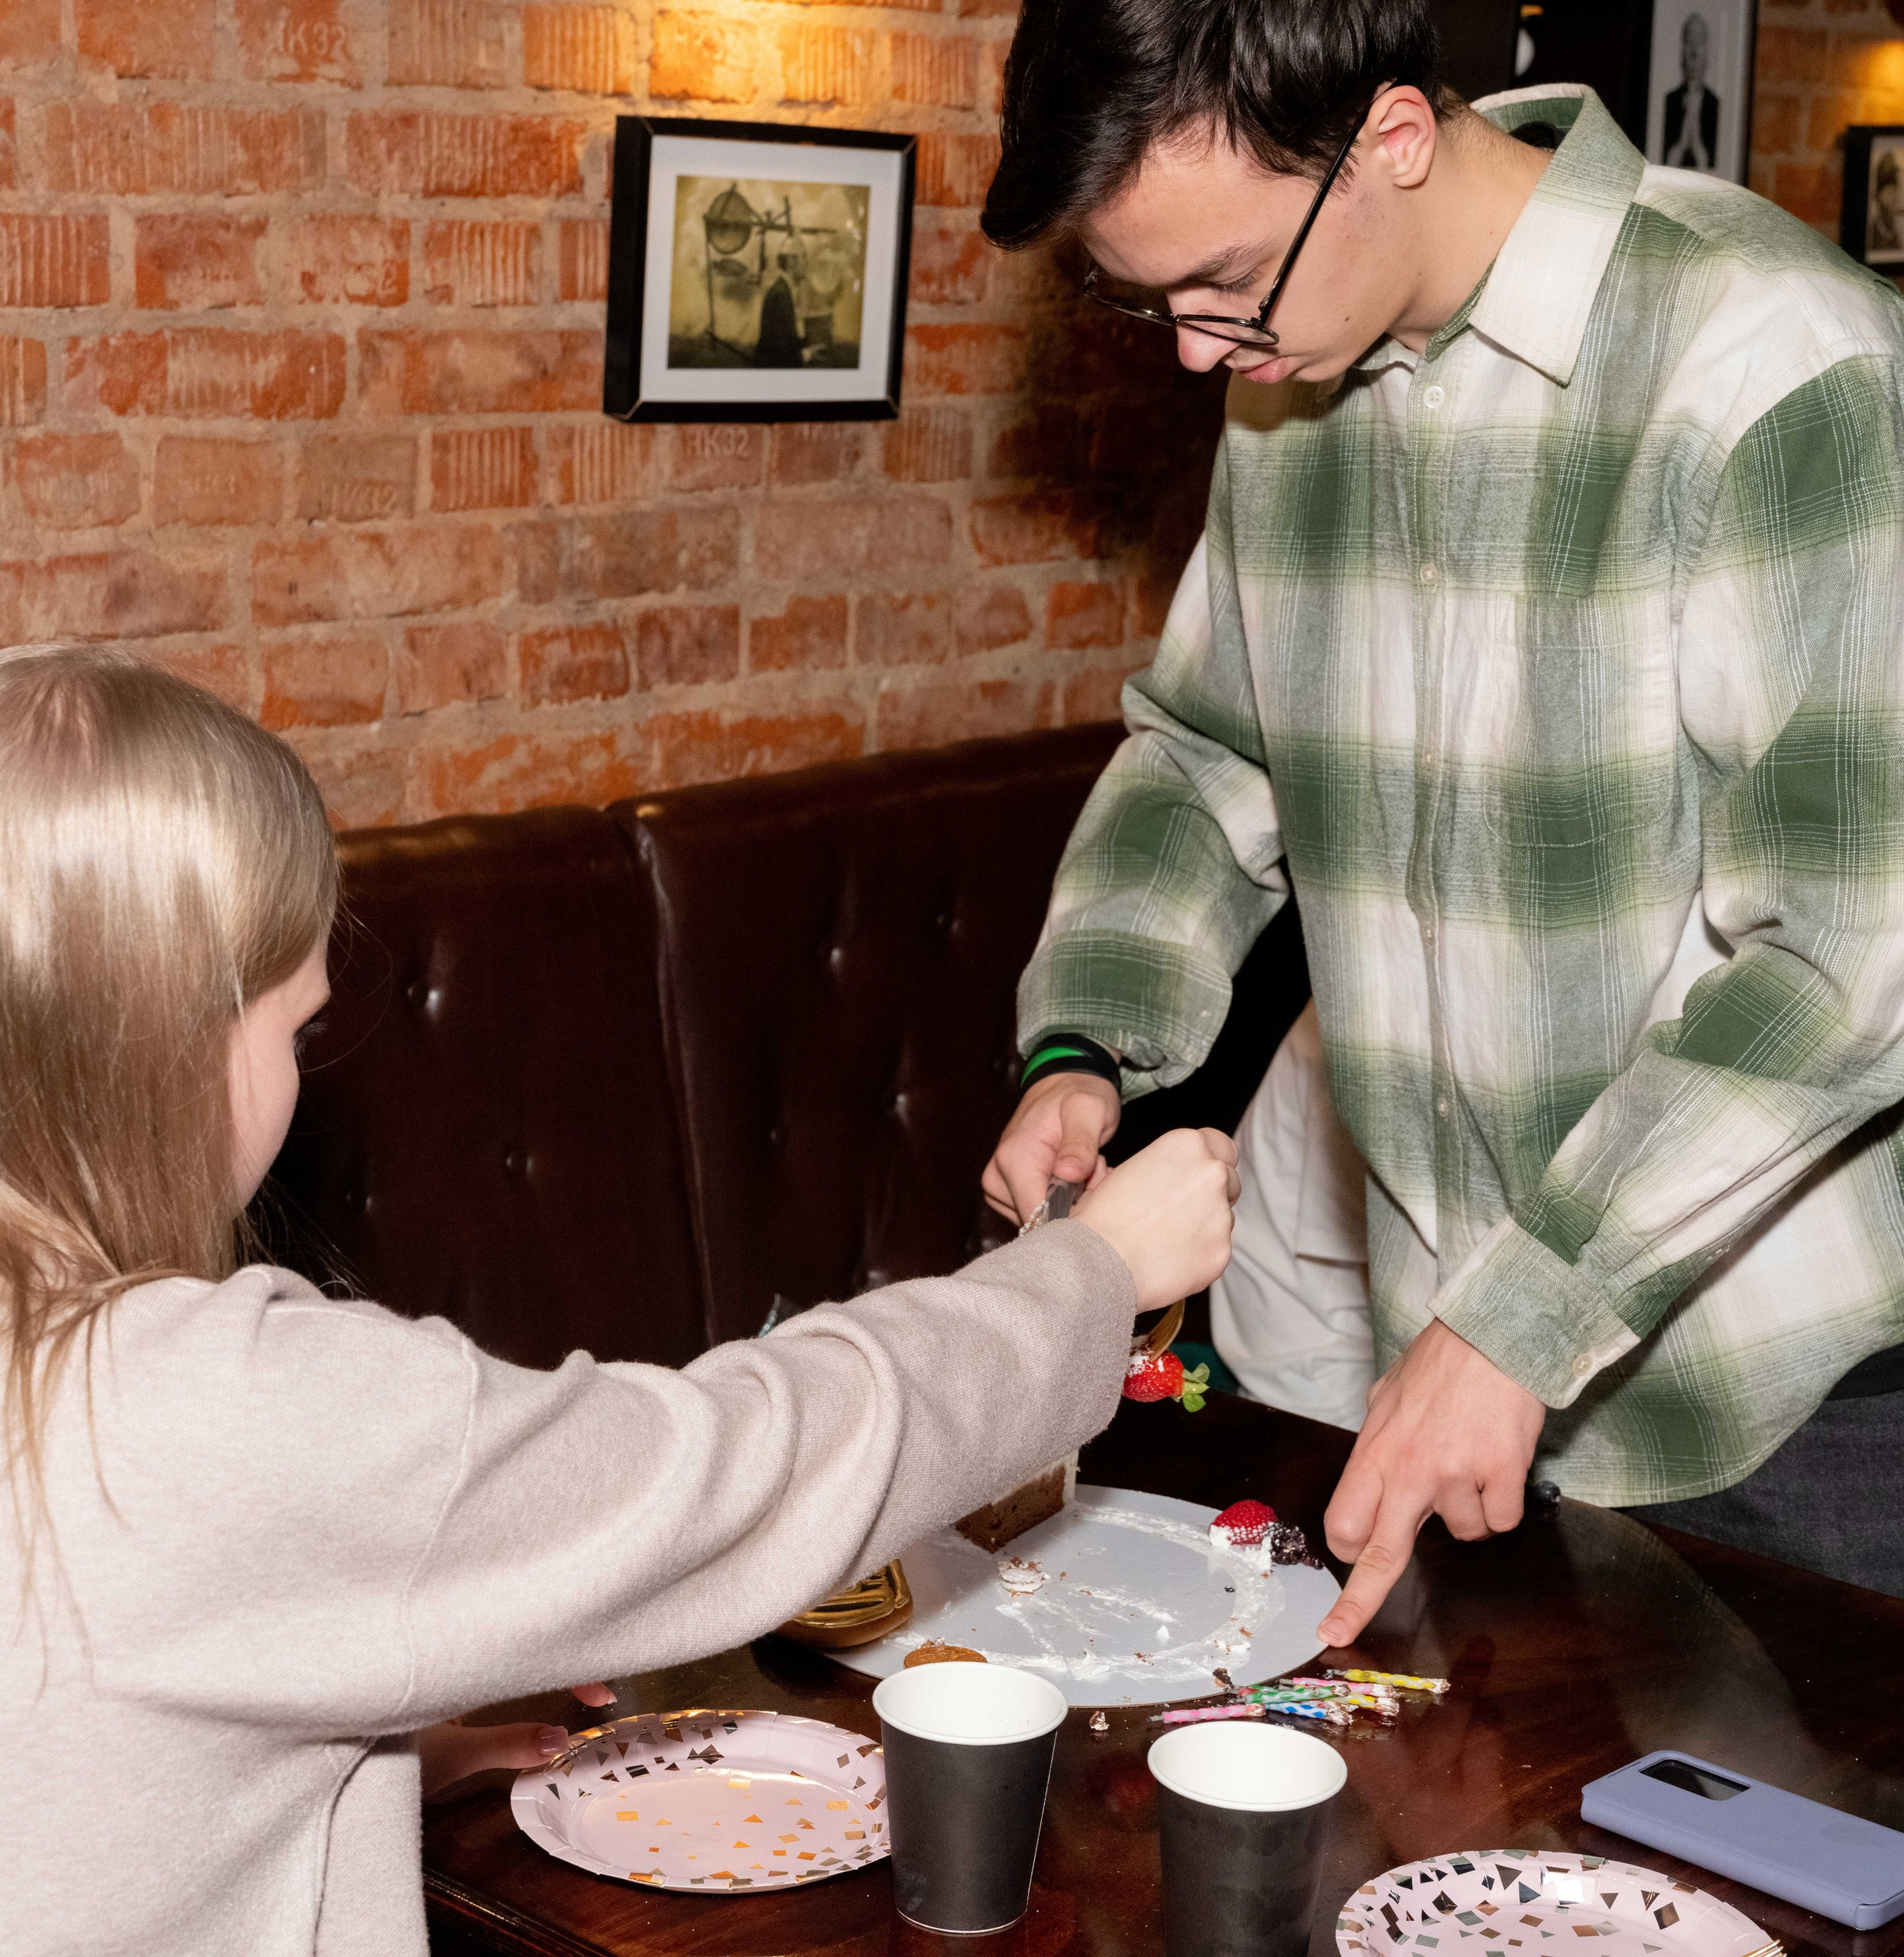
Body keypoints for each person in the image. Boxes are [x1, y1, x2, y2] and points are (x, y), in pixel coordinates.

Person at [0, 644, 1241, 1955]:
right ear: (163, 1049)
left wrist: (373, 1733)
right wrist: (1088, 1275)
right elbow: (739, 1469)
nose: (303, 1078)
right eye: (291, 1029)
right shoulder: (197, 1407)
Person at [979, 0, 1904, 1643]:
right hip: (1457, 1349)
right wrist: (1087, 1036)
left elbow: (1843, 954)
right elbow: (1209, 754)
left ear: (1391, 137)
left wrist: (1520, 1318)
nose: (1191, 353)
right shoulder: (1289, 377)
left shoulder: (1779, 363)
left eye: (1219, 285)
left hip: (1795, 1395)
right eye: (1144, 298)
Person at [1662, 12, 1719, 172]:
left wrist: (1697, 146)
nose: (1694, 53)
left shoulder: (1714, 105)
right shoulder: (1669, 102)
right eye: (1689, 42)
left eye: (1700, 42)